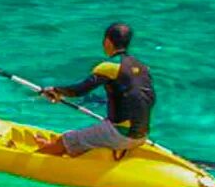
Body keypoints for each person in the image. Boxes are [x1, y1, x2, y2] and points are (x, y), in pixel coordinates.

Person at [34, 23, 155, 157]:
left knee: (66, 140)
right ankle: (52, 147)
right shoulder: (144, 68)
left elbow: (79, 91)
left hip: (120, 135)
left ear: (107, 42)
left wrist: (55, 90)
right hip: (142, 135)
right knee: (85, 136)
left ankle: (37, 156)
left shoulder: (109, 67)